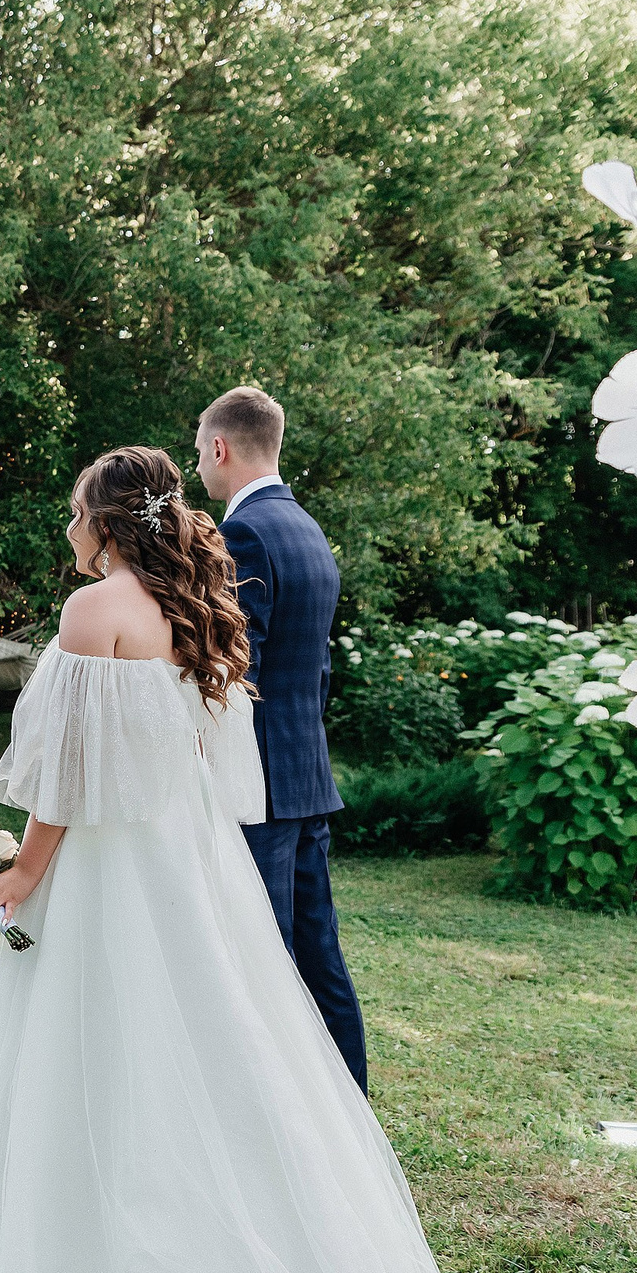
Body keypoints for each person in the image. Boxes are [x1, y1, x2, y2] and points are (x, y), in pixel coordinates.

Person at [0, 444, 471, 1273]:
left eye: (75, 512)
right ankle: (237, 1261)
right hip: (190, 864)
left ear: (106, 521)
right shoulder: (192, 609)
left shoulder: (92, 610)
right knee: (214, 1044)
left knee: (93, 1047)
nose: (67, 530)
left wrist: (27, 866)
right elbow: (202, 758)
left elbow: (69, 766)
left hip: (112, 864)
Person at [197, 385, 367, 1092]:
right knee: (318, 959)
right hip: (304, 775)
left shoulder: (245, 534)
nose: (197, 464)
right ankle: (349, 1113)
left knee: (261, 963)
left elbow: (241, 669)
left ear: (220, 447)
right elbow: (314, 670)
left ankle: (285, 1128)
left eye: (198, 449)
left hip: (258, 784)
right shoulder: (305, 527)